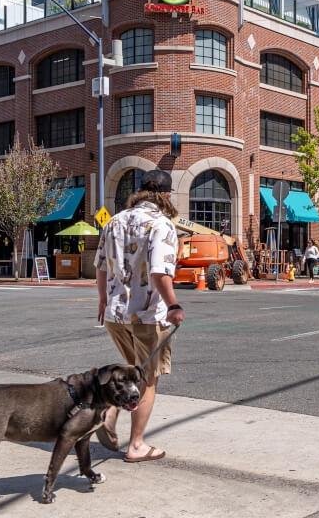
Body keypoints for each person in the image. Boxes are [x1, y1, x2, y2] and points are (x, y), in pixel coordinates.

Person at [95, 169, 185, 463]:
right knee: (147, 379)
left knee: (131, 370)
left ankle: (109, 414)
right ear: (166, 195)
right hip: (147, 315)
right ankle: (136, 445)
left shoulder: (113, 222)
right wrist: (173, 305)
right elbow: (160, 271)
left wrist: (103, 301)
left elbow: (100, 267)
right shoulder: (162, 225)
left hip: (115, 314)